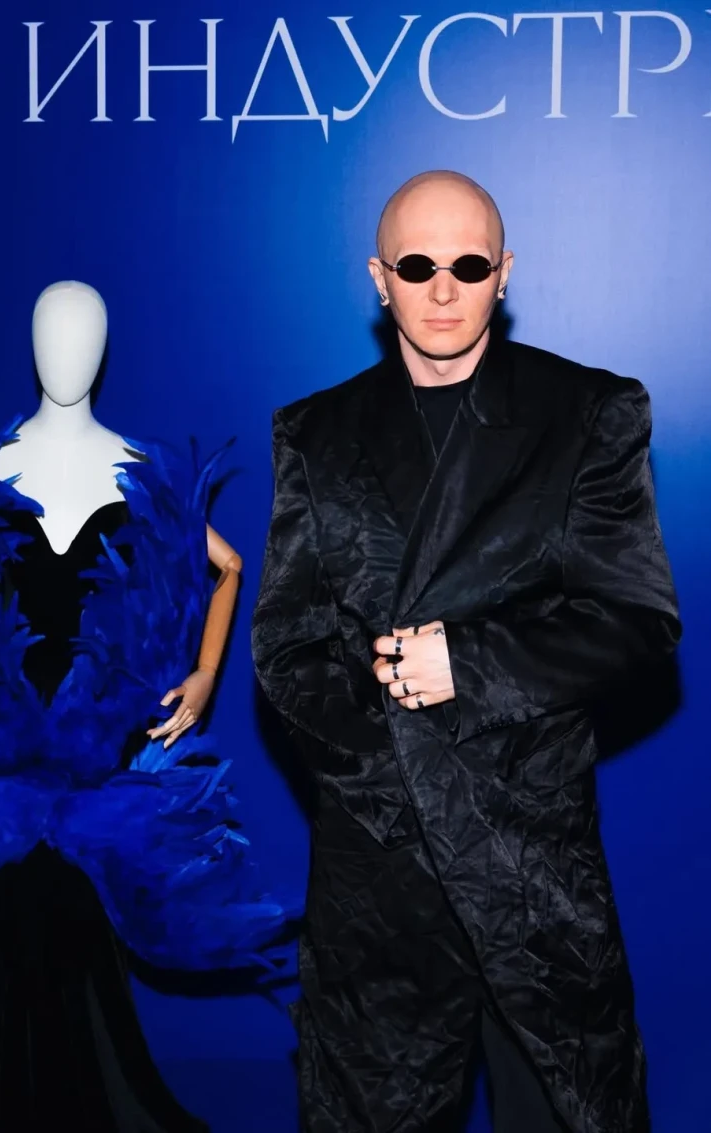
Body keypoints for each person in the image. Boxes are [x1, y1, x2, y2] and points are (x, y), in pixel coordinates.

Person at [252, 171, 681, 1132]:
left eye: (469, 265)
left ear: (504, 273)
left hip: (533, 866)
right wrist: (392, 777)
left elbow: (635, 617)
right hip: (378, 874)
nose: (442, 289)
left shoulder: (587, 412)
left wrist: (468, 664)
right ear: (379, 279)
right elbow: (288, 646)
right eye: (416, 266)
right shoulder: (315, 432)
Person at [0, 281, 289, 1132]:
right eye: (54, 336)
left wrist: (206, 672)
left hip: (97, 761)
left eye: (82, 336)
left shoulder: (136, 465)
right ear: (33, 346)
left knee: (71, 916)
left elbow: (229, 565)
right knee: (6, 914)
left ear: (101, 350)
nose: (68, 353)